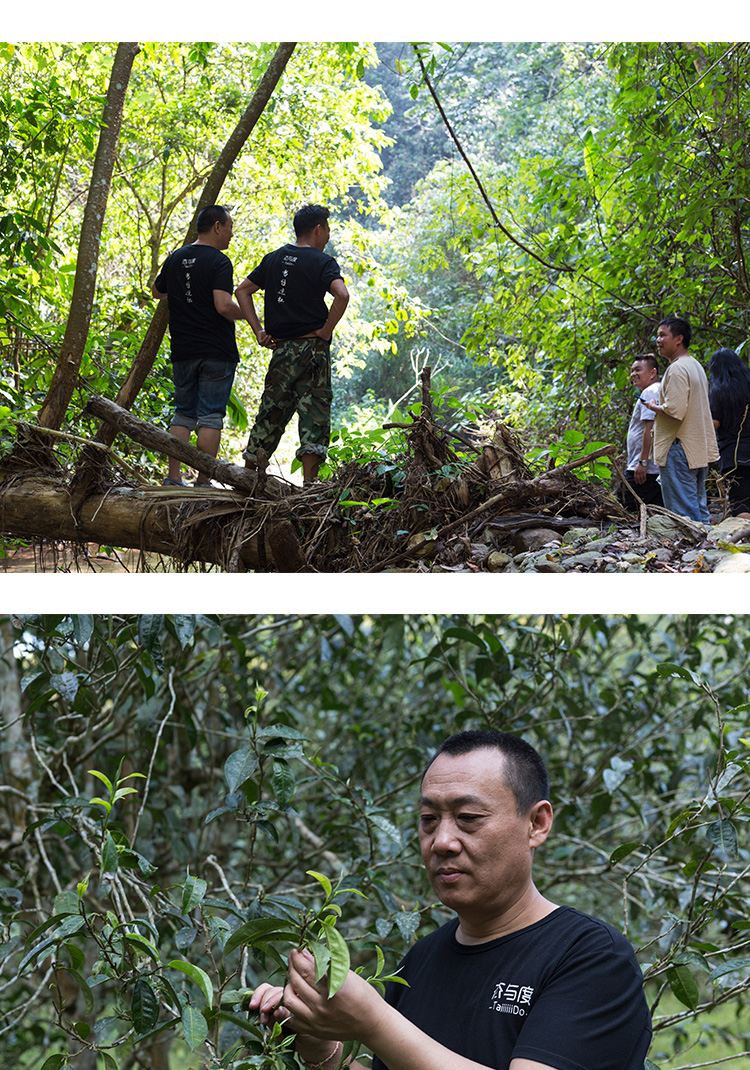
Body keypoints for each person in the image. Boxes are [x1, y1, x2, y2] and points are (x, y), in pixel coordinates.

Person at [249, 730, 652, 1070]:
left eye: (468, 819)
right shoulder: (421, 959)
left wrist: (375, 1023)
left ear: (536, 823)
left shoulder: (593, 957)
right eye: (428, 820)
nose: (441, 841)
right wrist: (319, 1042)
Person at [235, 204, 349, 483]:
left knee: (271, 412)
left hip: (282, 350)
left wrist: (258, 330)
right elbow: (342, 295)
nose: (328, 236)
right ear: (318, 229)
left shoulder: (274, 259)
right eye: (328, 229)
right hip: (313, 351)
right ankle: (310, 487)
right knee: (315, 413)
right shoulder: (323, 262)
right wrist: (325, 330)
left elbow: (242, 291)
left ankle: (247, 482)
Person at [152, 204, 243, 486]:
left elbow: (157, 291)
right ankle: (203, 479)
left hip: (183, 349)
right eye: (229, 228)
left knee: (183, 413)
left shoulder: (177, 257)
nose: (230, 235)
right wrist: (249, 315)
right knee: (211, 416)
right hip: (216, 350)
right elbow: (223, 305)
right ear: (217, 227)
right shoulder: (219, 262)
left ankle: (173, 477)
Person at [640, 316, 718, 523]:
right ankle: (706, 550)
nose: (658, 340)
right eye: (657, 336)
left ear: (678, 339)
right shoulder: (695, 365)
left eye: (662, 335)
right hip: (696, 446)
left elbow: (675, 411)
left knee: (684, 514)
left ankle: (693, 553)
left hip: (679, 445)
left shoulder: (677, 369)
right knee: (699, 509)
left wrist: (652, 406)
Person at [708, 348, 750, 519]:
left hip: (734, 453)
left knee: (740, 501)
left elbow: (714, 423)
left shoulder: (719, 391)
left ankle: (745, 541)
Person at [620, 354, 663, 508]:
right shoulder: (653, 390)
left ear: (652, 373)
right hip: (649, 467)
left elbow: (650, 429)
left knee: (623, 507)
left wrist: (643, 462)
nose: (633, 374)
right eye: (632, 370)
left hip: (644, 468)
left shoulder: (651, 391)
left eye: (638, 369)